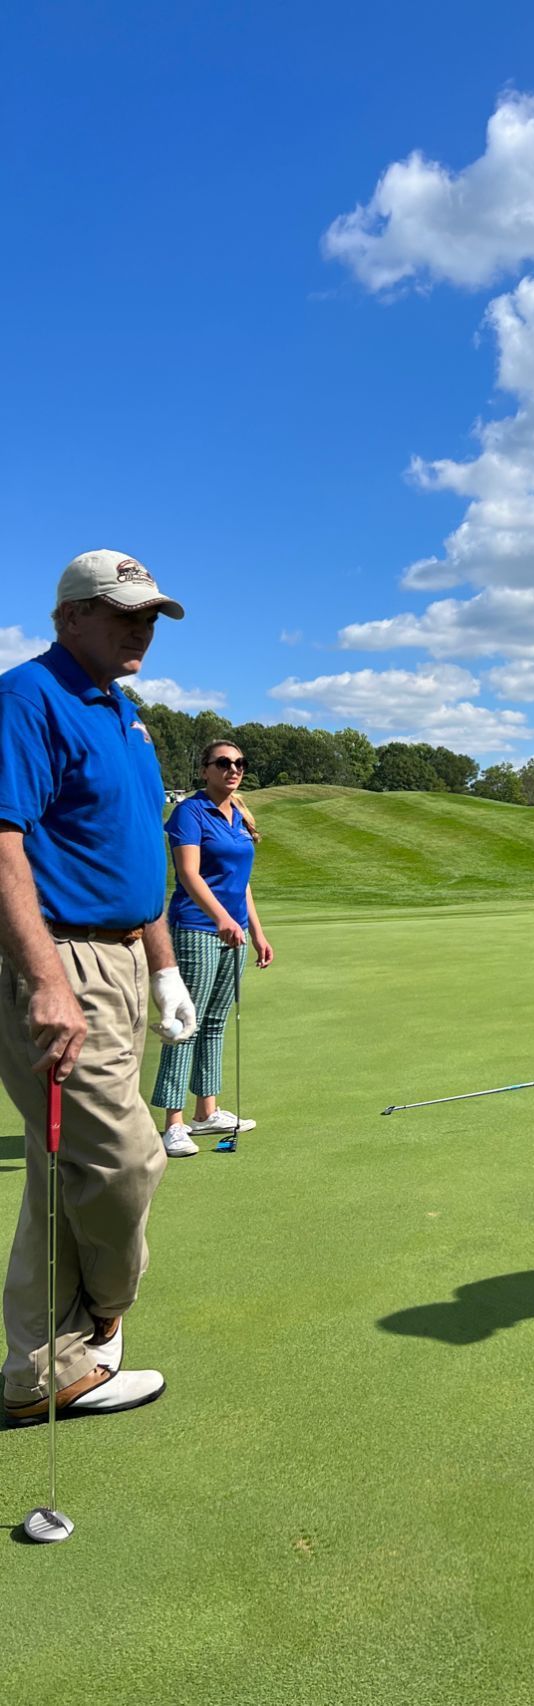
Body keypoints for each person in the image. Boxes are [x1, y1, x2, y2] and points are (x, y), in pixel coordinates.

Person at [0, 549, 197, 1425]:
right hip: (58, 955)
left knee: (61, 1171)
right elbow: (3, 843)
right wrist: (46, 981)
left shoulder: (124, 715)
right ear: (68, 616)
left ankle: (43, 1371)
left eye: (149, 615)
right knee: (122, 1161)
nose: (140, 629)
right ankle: (105, 1321)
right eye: (122, 613)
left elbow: (136, 854)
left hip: (121, 954)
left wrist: (162, 967)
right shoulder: (27, 697)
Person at [151, 740, 273, 1155]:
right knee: (188, 1022)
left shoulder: (239, 814)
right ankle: (173, 1123)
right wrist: (221, 917)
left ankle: (206, 1112)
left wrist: (256, 931)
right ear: (205, 770)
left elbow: (243, 883)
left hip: (234, 932)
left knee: (216, 1022)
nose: (232, 769)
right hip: (198, 928)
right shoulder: (189, 812)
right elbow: (188, 874)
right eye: (223, 763)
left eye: (239, 763)